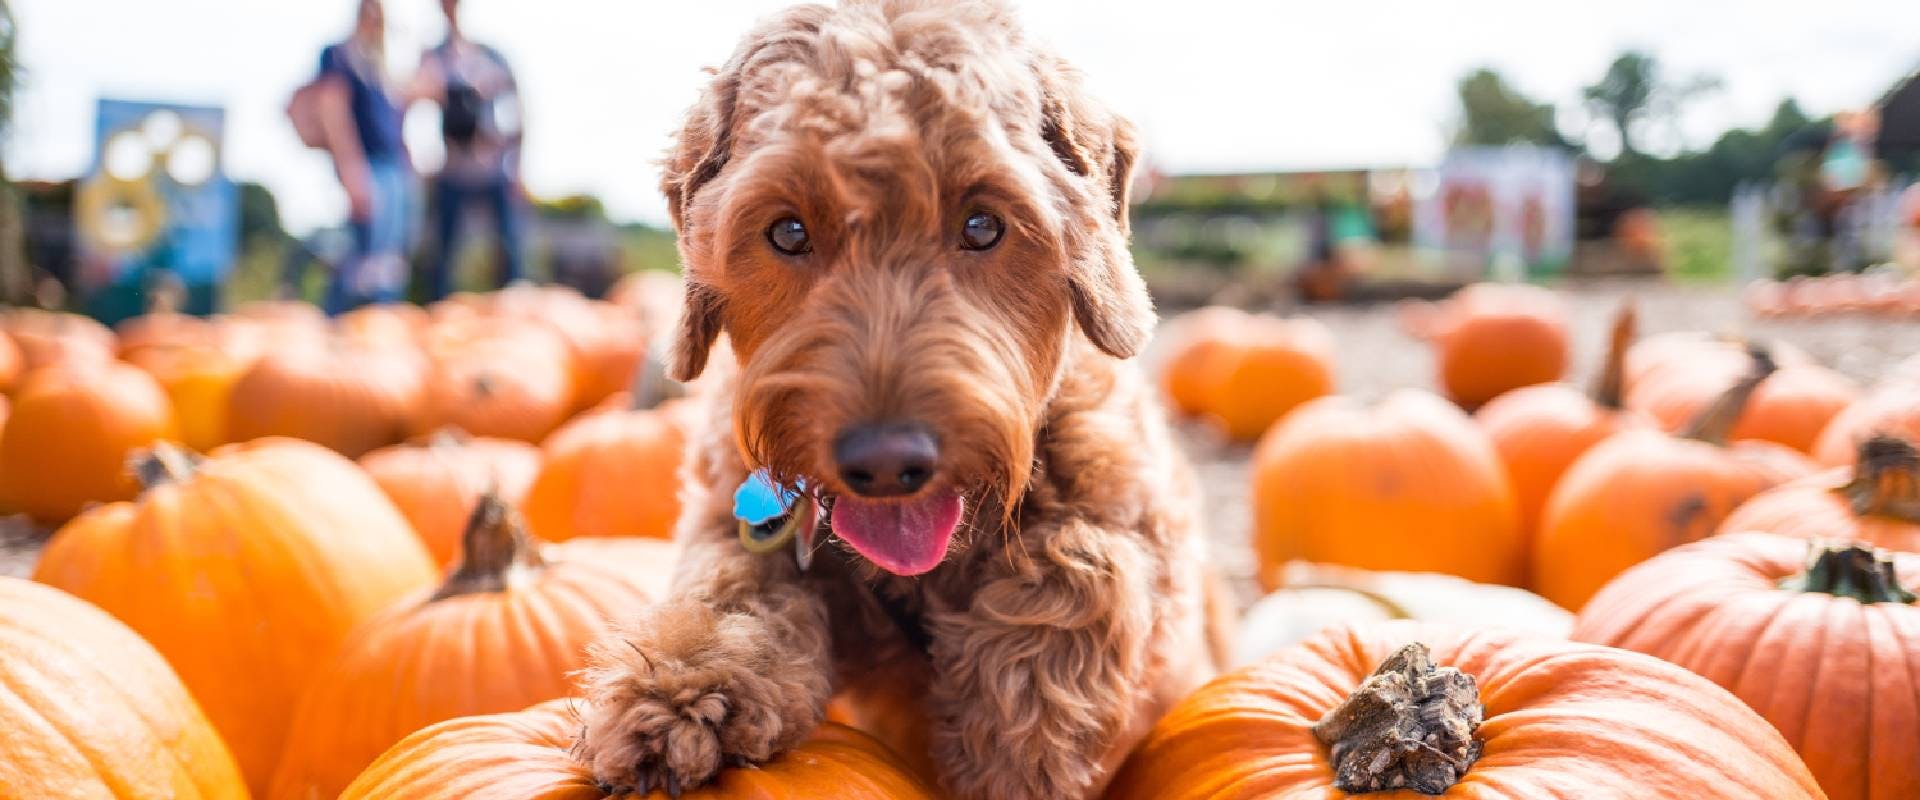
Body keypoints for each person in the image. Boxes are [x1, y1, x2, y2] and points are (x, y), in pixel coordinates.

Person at [417, 0, 525, 300]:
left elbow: (517, 109)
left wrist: (516, 164)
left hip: (491, 166)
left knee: (508, 247)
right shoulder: (433, 57)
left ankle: (514, 306)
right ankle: (438, 309)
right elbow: (413, 100)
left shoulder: (490, 56)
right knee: (442, 252)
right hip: (453, 167)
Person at [312, 0, 413, 314]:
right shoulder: (338, 55)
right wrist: (351, 168)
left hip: (392, 166)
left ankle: (379, 323)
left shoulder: (379, 65)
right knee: (359, 255)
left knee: (386, 261)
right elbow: (333, 112)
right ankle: (338, 323)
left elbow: (396, 120)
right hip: (367, 166)